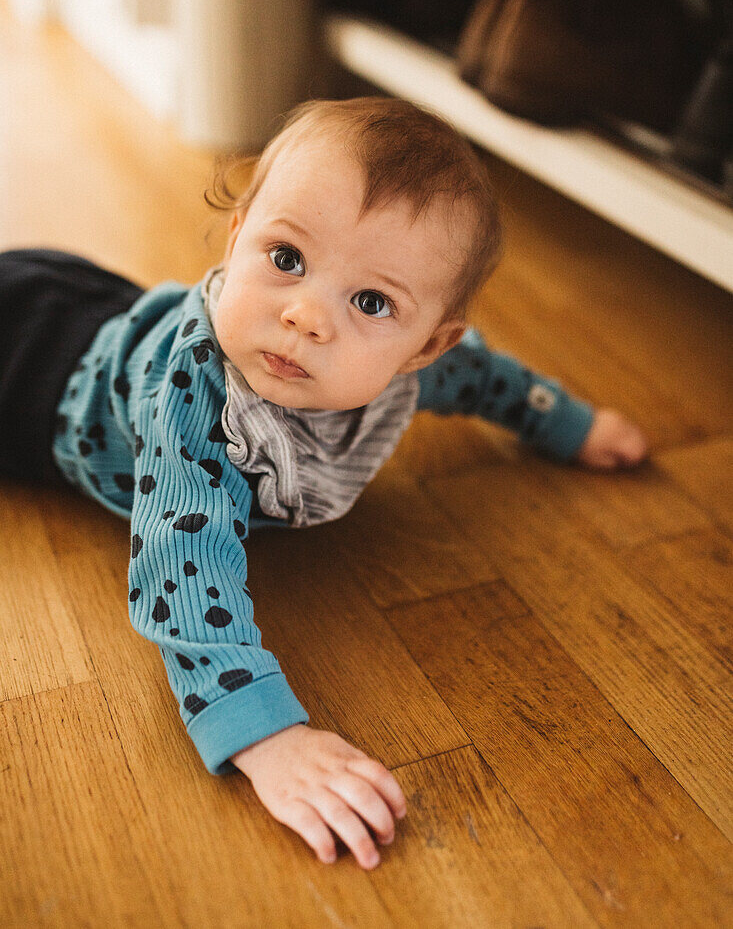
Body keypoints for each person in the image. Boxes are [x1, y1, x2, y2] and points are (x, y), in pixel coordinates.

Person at [0, 96, 648, 871]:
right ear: (239, 235)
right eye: (286, 258)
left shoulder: (413, 367)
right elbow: (182, 558)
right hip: (29, 371)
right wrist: (263, 734)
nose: (307, 315)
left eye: (371, 303)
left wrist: (565, 424)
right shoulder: (196, 401)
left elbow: (483, 378)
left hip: (95, 307)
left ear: (423, 348)